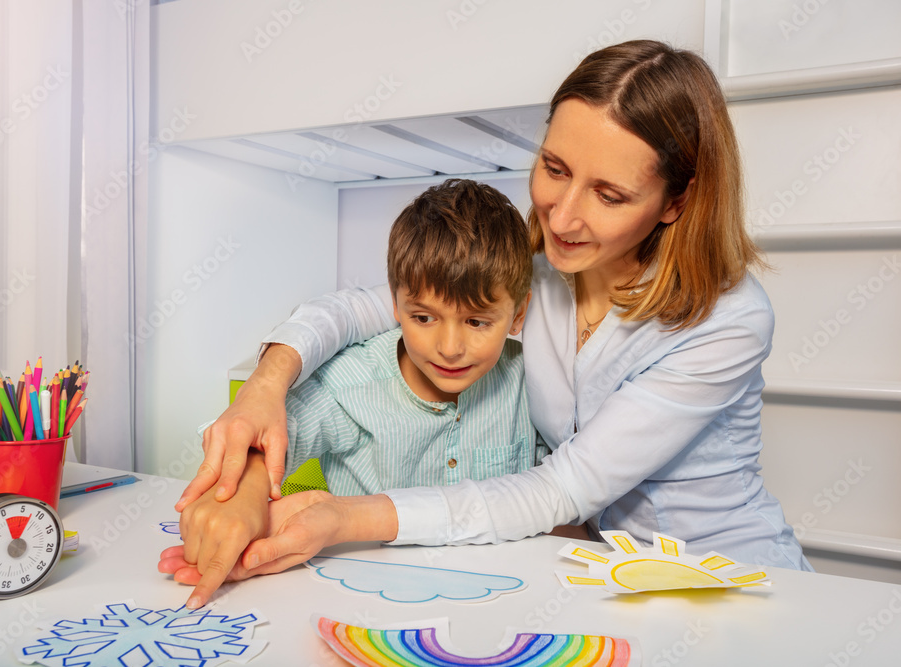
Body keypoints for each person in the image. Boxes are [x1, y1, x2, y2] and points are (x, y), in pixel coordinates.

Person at [163, 39, 812, 600]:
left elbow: (564, 486)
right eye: (554, 169)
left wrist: (342, 518)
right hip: (606, 575)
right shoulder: (541, 273)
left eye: (609, 194)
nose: (560, 217)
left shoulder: (729, 320)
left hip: (729, 574)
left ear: (677, 201)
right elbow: (365, 304)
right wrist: (266, 388)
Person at [164, 178, 551, 608]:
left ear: (518, 315)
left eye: (477, 322)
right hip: (361, 603)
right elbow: (265, 433)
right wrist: (247, 493)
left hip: (500, 601)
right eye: (423, 317)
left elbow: (554, 493)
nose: (449, 347)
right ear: (394, 307)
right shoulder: (352, 383)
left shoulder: (529, 382)